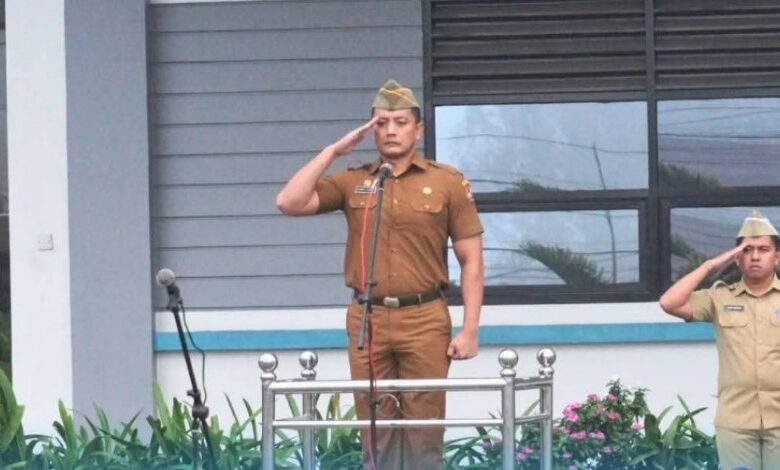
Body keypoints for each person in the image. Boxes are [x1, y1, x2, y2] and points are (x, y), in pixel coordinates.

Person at [276, 79, 484, 469]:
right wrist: (333, 151)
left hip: (424, 317)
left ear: (418, 129)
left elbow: (471, 259)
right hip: (367, 319)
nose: (391, 130)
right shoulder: (355, 181)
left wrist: (470, 328)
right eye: (381, 123)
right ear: (371, 130)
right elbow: (289, 202)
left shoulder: (446, 181)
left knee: (424, 431)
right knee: (375, 431)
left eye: (401, 122)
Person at [659, 210, 780, 470]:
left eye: (763, 249)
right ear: (737, 258)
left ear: (777, 256)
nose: (755, 256)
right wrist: (711, 265)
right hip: (736, 421)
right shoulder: (720, 297)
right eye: (747, 250)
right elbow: (669, 302)